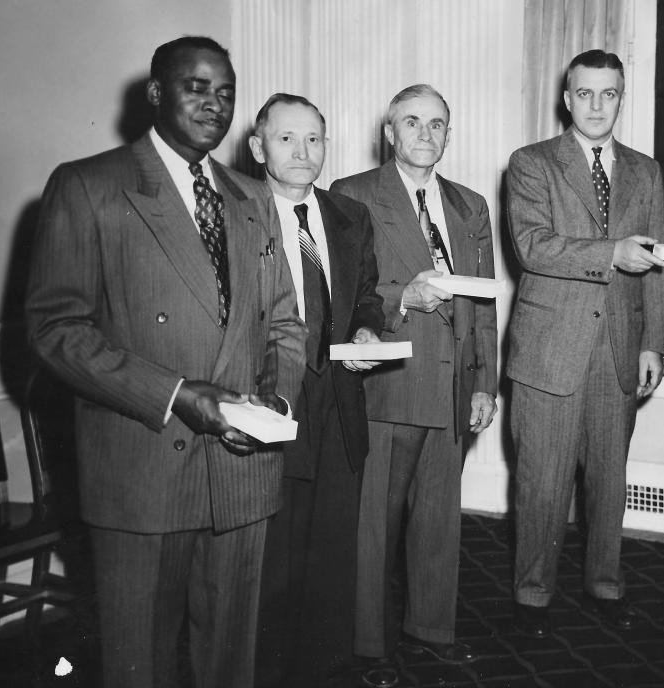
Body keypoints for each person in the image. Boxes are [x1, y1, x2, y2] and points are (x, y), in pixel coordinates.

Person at [24, 37, 306, 688]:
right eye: (196, 87)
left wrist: (278, 400)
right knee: (139, 667)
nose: (215, 104)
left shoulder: (253, 197)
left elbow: (285, 322)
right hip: (142, 470)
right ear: (156, 94)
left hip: (243, 471)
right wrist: (179, 394)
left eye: (226, 92)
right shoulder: (89, 186)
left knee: (232, 665)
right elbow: (55, 328)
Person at [330, 84, 498, 681]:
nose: (425, 135)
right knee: (375, 523)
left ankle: (431, 627)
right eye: (412, 123)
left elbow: (484, 304)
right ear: (390, 133)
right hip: (392, 381)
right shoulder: (352, 196)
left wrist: (485, 383)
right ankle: (370, 645)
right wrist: (406, 296)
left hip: (454, 388)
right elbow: (343, 294)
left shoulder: (471, 205)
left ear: (448, 135)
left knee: (437, 518)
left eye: (436, 125)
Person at [505, 49, 664, 638]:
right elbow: (532, 245)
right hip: (549, 349)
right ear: (566, 98)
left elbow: (656, 266)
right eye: (586, 93)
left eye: (610, 94)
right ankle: (531, 594)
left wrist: (654, 343)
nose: (597, 105)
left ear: (622, 98)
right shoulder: (531, 163)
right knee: (541, 481)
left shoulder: (646, 171)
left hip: (619, 350)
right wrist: (610, 253)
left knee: (609, 479)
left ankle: (605, 584)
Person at [248, 94, 384, 686]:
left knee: (333, 543)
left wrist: (366, 329)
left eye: (315, 140)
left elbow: (370, 296)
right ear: (258, 148)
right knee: (274, 552)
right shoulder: (238, 212)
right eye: (287, 139)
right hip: (271, 403)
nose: (304, 153)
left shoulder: (350, 215)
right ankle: (268, 670)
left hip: (339, 404)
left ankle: (325, 667)